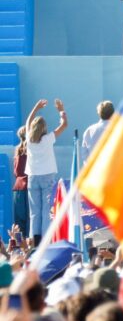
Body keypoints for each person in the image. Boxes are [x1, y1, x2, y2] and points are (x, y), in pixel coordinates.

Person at [25, 98, 67, 244]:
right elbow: (64, 125)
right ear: (44, 128)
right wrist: (61, 110)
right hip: (47, 177)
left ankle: (34, 240)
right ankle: (45, 240)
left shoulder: (28, 140)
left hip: (32, 177)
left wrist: (36, 107)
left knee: (34, 212)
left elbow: (28, 121)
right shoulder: (48, 139)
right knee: (45, 211)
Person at [12, 126, 28, 236]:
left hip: (17, 187)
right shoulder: (31, 150)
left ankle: (18, 246)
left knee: (19, 221)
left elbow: (16, 172)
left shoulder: (17, 150)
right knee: (30, 219)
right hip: (28, 185)